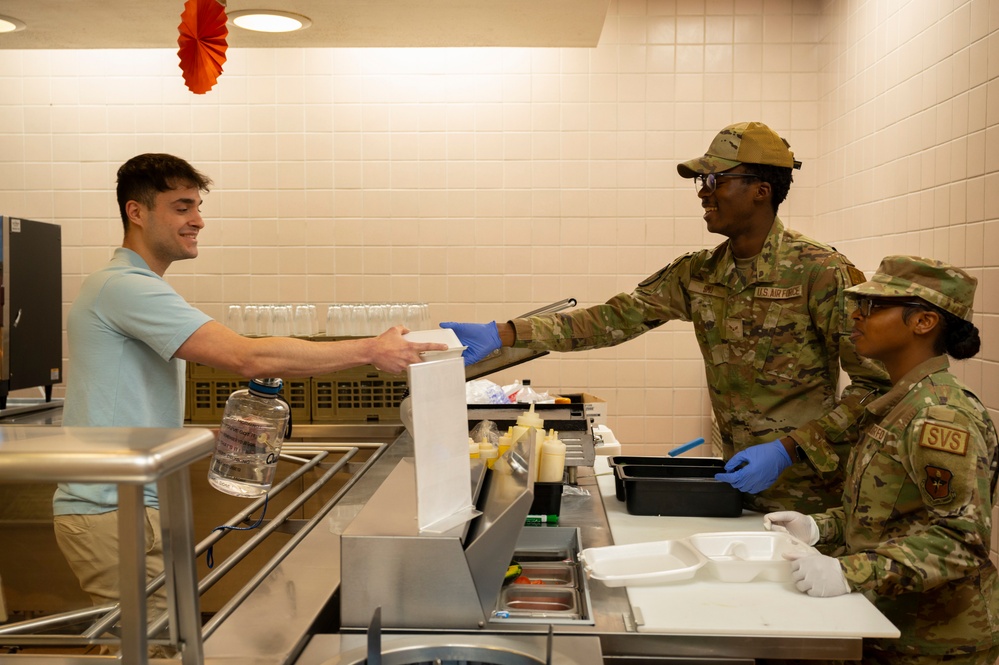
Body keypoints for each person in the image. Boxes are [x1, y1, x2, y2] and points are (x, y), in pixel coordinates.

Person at [53, 153, 446, 651]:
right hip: (108, 508)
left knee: (161, 642)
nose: (197, 220)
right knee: (148, 650)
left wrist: (205, 437)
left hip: (128, 507)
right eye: (181, 207)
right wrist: (370, 349)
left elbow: (124, 402)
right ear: (137, 212)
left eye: (197, 206)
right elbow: (248, 357)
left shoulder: (134, 288)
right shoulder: (123, 287)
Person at [442, 121, 890, 513]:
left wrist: (789, 450)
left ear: (761, 190)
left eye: (715, 179)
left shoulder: (821, 272)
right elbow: (611, 320)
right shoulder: (700, 272)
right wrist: (506, 332)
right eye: (701, 180)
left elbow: (876, 387)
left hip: (809, 494)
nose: (703, 191)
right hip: (736, 481)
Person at [765, 256, 998, 664]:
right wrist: (817, 528)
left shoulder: (939, 414)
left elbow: (963, 542)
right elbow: (892, 516)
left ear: (923, 322)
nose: (856, 315)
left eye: (873, 307)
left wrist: (848, 572)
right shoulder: (903, 402)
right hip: (890, 625)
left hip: (936, 643)